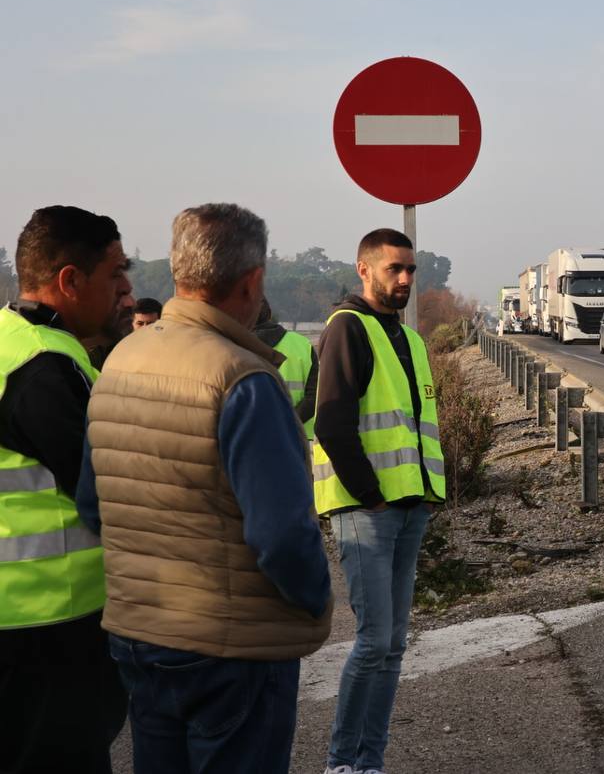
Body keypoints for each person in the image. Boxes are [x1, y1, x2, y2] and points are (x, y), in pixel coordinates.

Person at [77, 203, 332, 774]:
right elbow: (283, 536)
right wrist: (316, 599)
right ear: (253, 281)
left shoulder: (120, 361)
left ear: (178, 272)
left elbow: (94, 504)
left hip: (140, 633)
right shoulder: (243, 378)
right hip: (232, 647)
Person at [0, 205, 131, 773]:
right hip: (49, 622)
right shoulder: (45, 365)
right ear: (69, 281)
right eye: (115, 273)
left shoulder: (10, 341)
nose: (127, 289)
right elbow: (104, 491)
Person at [313, 227, 445, 774]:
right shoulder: (348, 328)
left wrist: (421, 495)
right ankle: (342, 762)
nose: (406, 279)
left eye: (411, 269)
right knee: (372, 643)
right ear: (364, 269)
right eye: (395, 269)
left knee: (392, 646)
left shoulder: (408, 338)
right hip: (367, 510)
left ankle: (370, 761)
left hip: (409, 505)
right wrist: (370, 496)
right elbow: (331, 423)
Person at [254, 298, 318, 437]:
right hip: (297, 439)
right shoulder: (302, 345)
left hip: (249, 440)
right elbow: (315, 395)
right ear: (270, 315)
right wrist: (287, 424)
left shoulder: (230, 346)